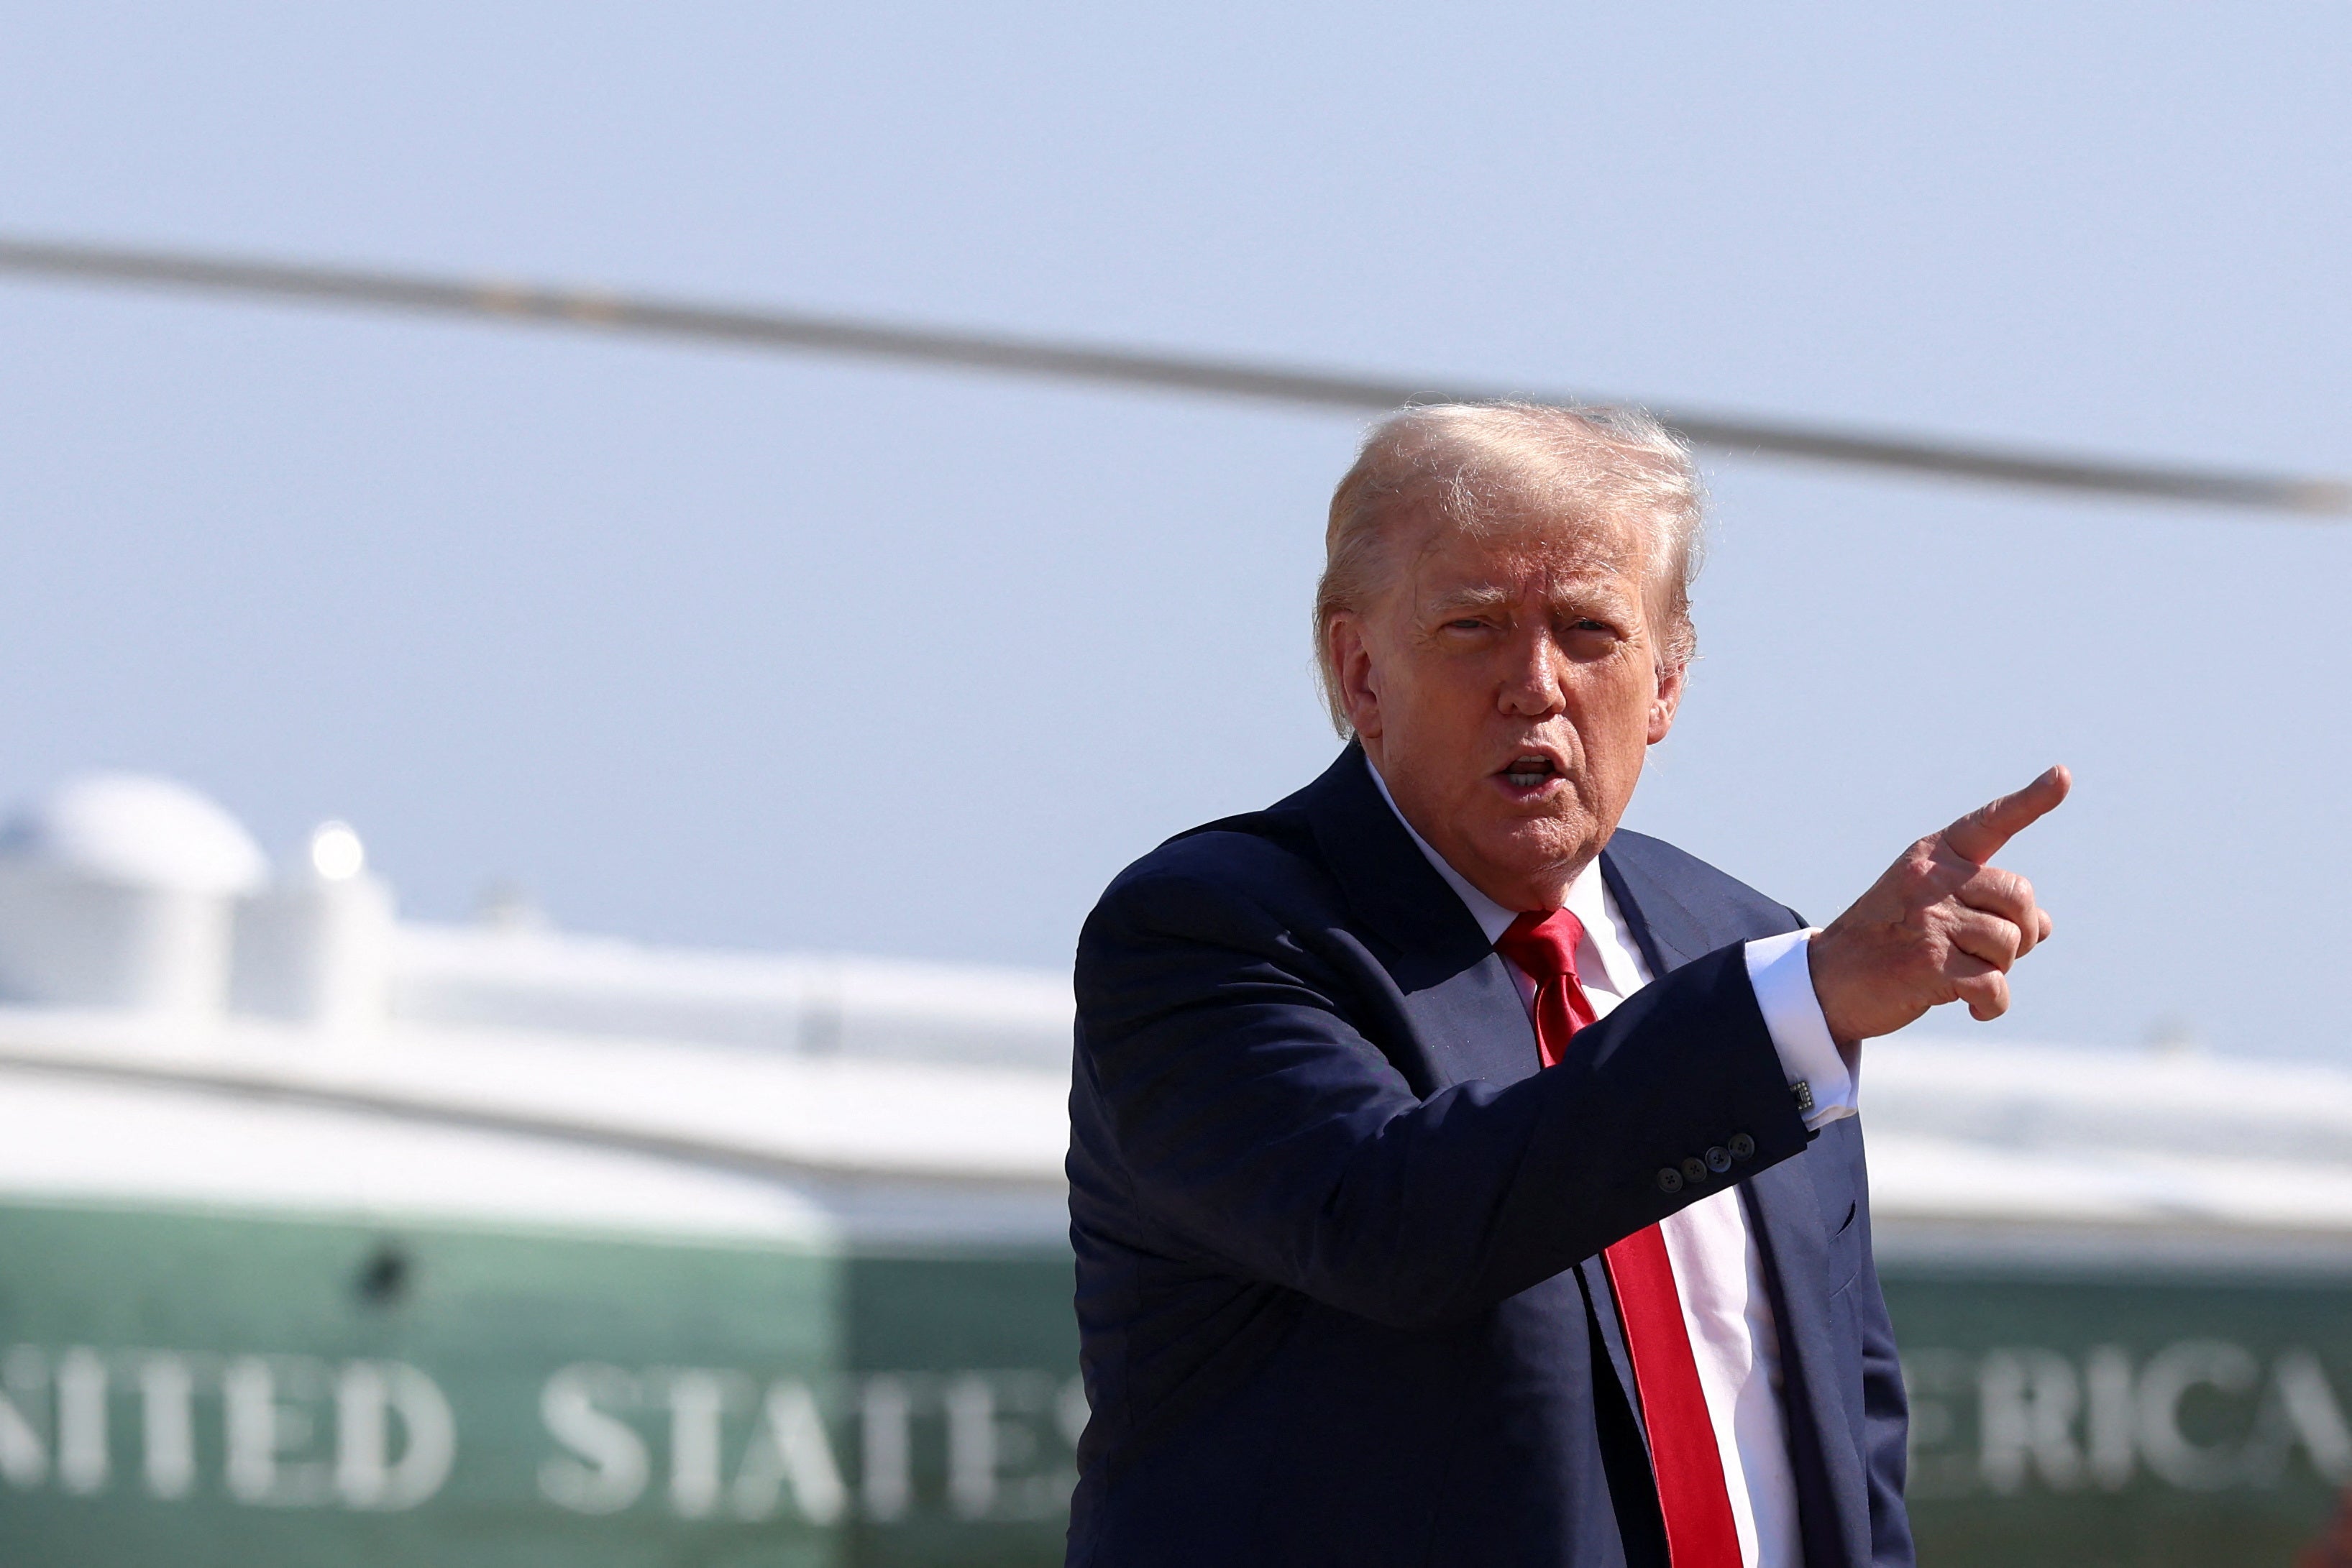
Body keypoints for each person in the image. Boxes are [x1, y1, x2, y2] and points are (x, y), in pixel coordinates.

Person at [1063, 402, 2068, 1568]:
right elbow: (1398, 1221)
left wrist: (1796, 999)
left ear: (1666, 687)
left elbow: (1845, 1417)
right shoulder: (1214, 931)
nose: (1534, 683)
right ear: (1361, 670)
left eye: (1590, 629)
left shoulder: (1743, 945)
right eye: (1473, 625)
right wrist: (1800, 1007)